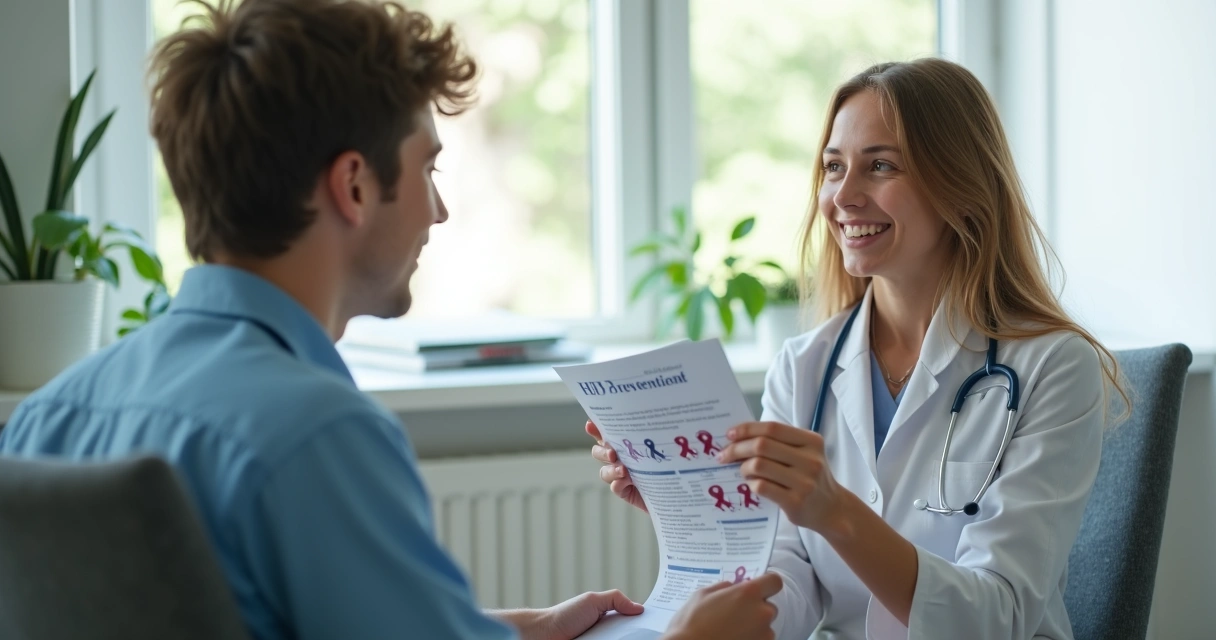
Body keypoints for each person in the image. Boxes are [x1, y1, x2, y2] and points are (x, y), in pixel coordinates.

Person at [0, 1, 783, 639]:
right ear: (353, 185)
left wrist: (516, 632)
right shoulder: (315, 434)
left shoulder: (43, 421)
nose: (438, 210)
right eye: (427, 168)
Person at [589, 58, 1128, 639]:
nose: (843, 196)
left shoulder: (1053, 366)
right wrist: (694, 506)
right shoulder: (805, 366)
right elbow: (788, 577)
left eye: (881, 166)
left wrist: (836, 511)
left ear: (963, 187)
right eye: (833, 167)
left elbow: (999, 617)